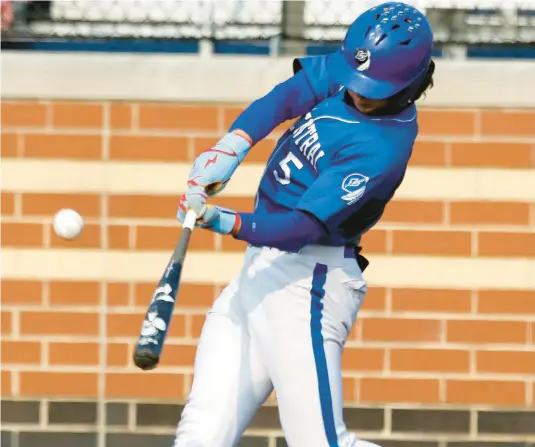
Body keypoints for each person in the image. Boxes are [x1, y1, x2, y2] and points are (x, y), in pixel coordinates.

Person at [175, 2, 435, 446]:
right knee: (201, 435)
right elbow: (293, 93)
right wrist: (232, 145)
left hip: (307, 284)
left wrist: (223, 221)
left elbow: (302, 229)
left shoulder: (381, 147)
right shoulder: (361, 72)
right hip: (256, 276)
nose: (356, 92)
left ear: (406, 85)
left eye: (369, 89)